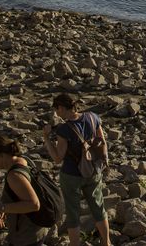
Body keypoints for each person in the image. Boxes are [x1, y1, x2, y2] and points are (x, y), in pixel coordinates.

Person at [43, 94, 110, 246]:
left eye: (56, 109)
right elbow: (102, 143)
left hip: (71, 175)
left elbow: (58, 158)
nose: (56, 113)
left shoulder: (64, 129)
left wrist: (47, 138)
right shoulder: (93, 117)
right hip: (93, 170)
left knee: (73, 213)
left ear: (61, 107)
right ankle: (107, 243)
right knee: (98, 208)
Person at [0, 135, 49, 246]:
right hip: (37, 229)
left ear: (1, 155)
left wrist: (2, 208)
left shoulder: (14, 175)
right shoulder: (24, 160)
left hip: (26, 235)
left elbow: (34, 204)